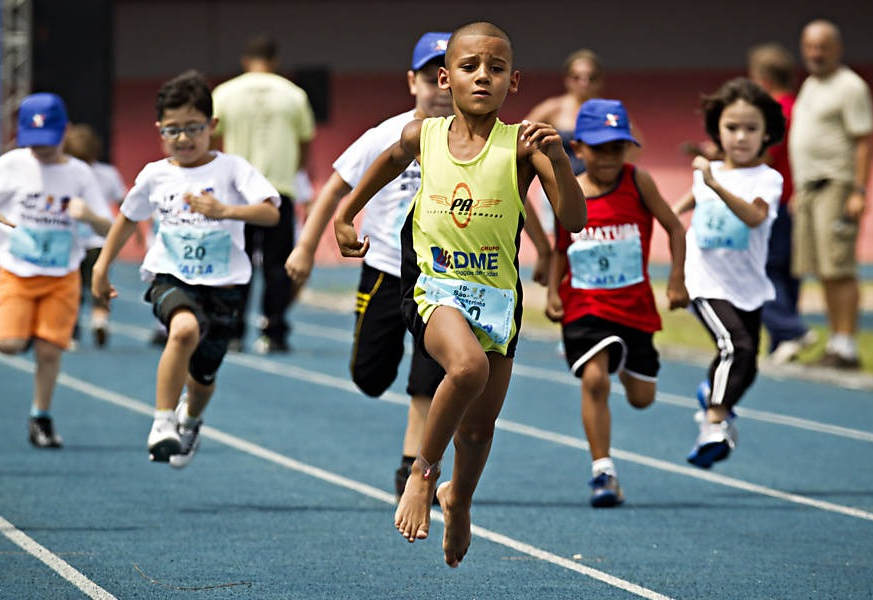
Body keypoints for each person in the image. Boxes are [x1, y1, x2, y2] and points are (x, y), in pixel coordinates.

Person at [334, 22, 586, 567]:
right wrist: (345, 213)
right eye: (470, 67)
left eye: (496, 69)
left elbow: (575, 219)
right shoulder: (422, 135)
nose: (482, 77)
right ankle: (423, 476)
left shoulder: (522, 147)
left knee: (477, 429)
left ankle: (461, 501)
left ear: (513, 81)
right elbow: (386, 164)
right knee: (466, 370)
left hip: (497, 299)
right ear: (446, 78)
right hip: (434, 286)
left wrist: (560, 161)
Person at [286, 32, 552, 501]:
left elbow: (508, 203)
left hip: (442, 276)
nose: (437, 88)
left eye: (491, 70)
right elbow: (337, 186)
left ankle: (414, 462)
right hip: (384, 264)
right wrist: (312, 242)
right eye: (431, 78)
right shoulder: (394, 134)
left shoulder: (496, 145)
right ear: (419, 81)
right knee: (371, 376)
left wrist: (544, 248)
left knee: (438, 371)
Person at [91, 71, 280, 468]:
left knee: (204, 375)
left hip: (224, 284)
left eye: (193, 128)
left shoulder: (231, 170)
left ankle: (189, 419)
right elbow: (126, 218)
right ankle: (162, 424)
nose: (183, 138)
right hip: (171, 276)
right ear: (159, 130)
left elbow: (270, 212)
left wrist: (226, 210)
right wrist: (102, 267)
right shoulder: (155, 175)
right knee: (183, 329)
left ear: (212, 125)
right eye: (172, 130)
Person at [545, 98, 688, 507]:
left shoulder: (638, 182)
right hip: (585, 306)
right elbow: (559, 248)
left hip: (634, 307)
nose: (608, 158)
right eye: (599, 148)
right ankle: (602, 471)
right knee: (594, 378)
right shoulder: (569, 193)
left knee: (642, 399)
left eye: (616, 148)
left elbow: (675, 228)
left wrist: (676, 280)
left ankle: (622, 359)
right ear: (579, 149)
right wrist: (554, 291)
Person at [673, 78, 785, 469]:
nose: (740, 136)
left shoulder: (768, 179)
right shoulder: (708, 173)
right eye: (731, 127)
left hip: (747, 285)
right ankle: (714, 424)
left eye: (751, 128)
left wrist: (715, 183)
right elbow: (678, 210)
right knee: (736, 346)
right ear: (717, 129)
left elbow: (754, 216)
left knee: (748, 361)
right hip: (704, 280)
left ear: (767, 132)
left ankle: (711, 392)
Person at [0, 93, 112, 447]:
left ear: (64, 132)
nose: (40, 151)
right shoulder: (12, 165)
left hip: (61, 273)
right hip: (16, 269)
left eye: (46, 143)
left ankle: (41, 417)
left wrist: (90, 215)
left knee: (49, 350)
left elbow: (108, 228)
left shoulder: (80, 174)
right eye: (32, 144)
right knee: (12, 344)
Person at [212, 34, 316, 354]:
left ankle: (232, 331)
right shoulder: (294, 94)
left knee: (238, 261)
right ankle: (275, 331)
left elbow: (212, 137)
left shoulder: (225, 93)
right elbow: (305, 140)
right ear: (275, 61)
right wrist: (292, 171)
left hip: (238, 191)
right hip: (277, 189)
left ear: (245, 60)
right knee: (277, 266)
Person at [789, 20, 871, 369]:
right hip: (809, 190)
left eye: (822, 47)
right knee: (822, 268)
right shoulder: (810, 84)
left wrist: (858, 190)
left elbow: (863, 140)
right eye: (809, 47)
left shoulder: (849, 86)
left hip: (836, 186)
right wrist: (798, 188)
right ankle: (835, 342)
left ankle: (847, 345)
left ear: (837, 48)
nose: (815, 54)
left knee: (839, 267)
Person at [747, 43, 817, 365]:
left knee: (761, 269)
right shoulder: (799, 106)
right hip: (794, 199)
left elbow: (763, 154)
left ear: (762, 77)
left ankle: (789, 330)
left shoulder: (775, 111)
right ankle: (781, 343)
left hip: (772, 200)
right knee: (786, 272)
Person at [62, 123, 127, 349]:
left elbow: (124, 205)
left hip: (77, 240)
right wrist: (136, 233)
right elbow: (124, 205)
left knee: (74, 289)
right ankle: (100, 321)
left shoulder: (67, 173)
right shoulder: (108, 173)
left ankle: (72, 332)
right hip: (98, 241)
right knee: (98, 285)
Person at [525, 49, 604, 176]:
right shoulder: (553, 108)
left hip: (598, 187)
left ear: (599, 80)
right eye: (576, 77)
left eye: (591, 77)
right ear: (567, 79)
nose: (584, 83)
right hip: (558, 186)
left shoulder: (608, 110)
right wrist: (542, 169)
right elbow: (521, 139)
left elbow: (633, 145)